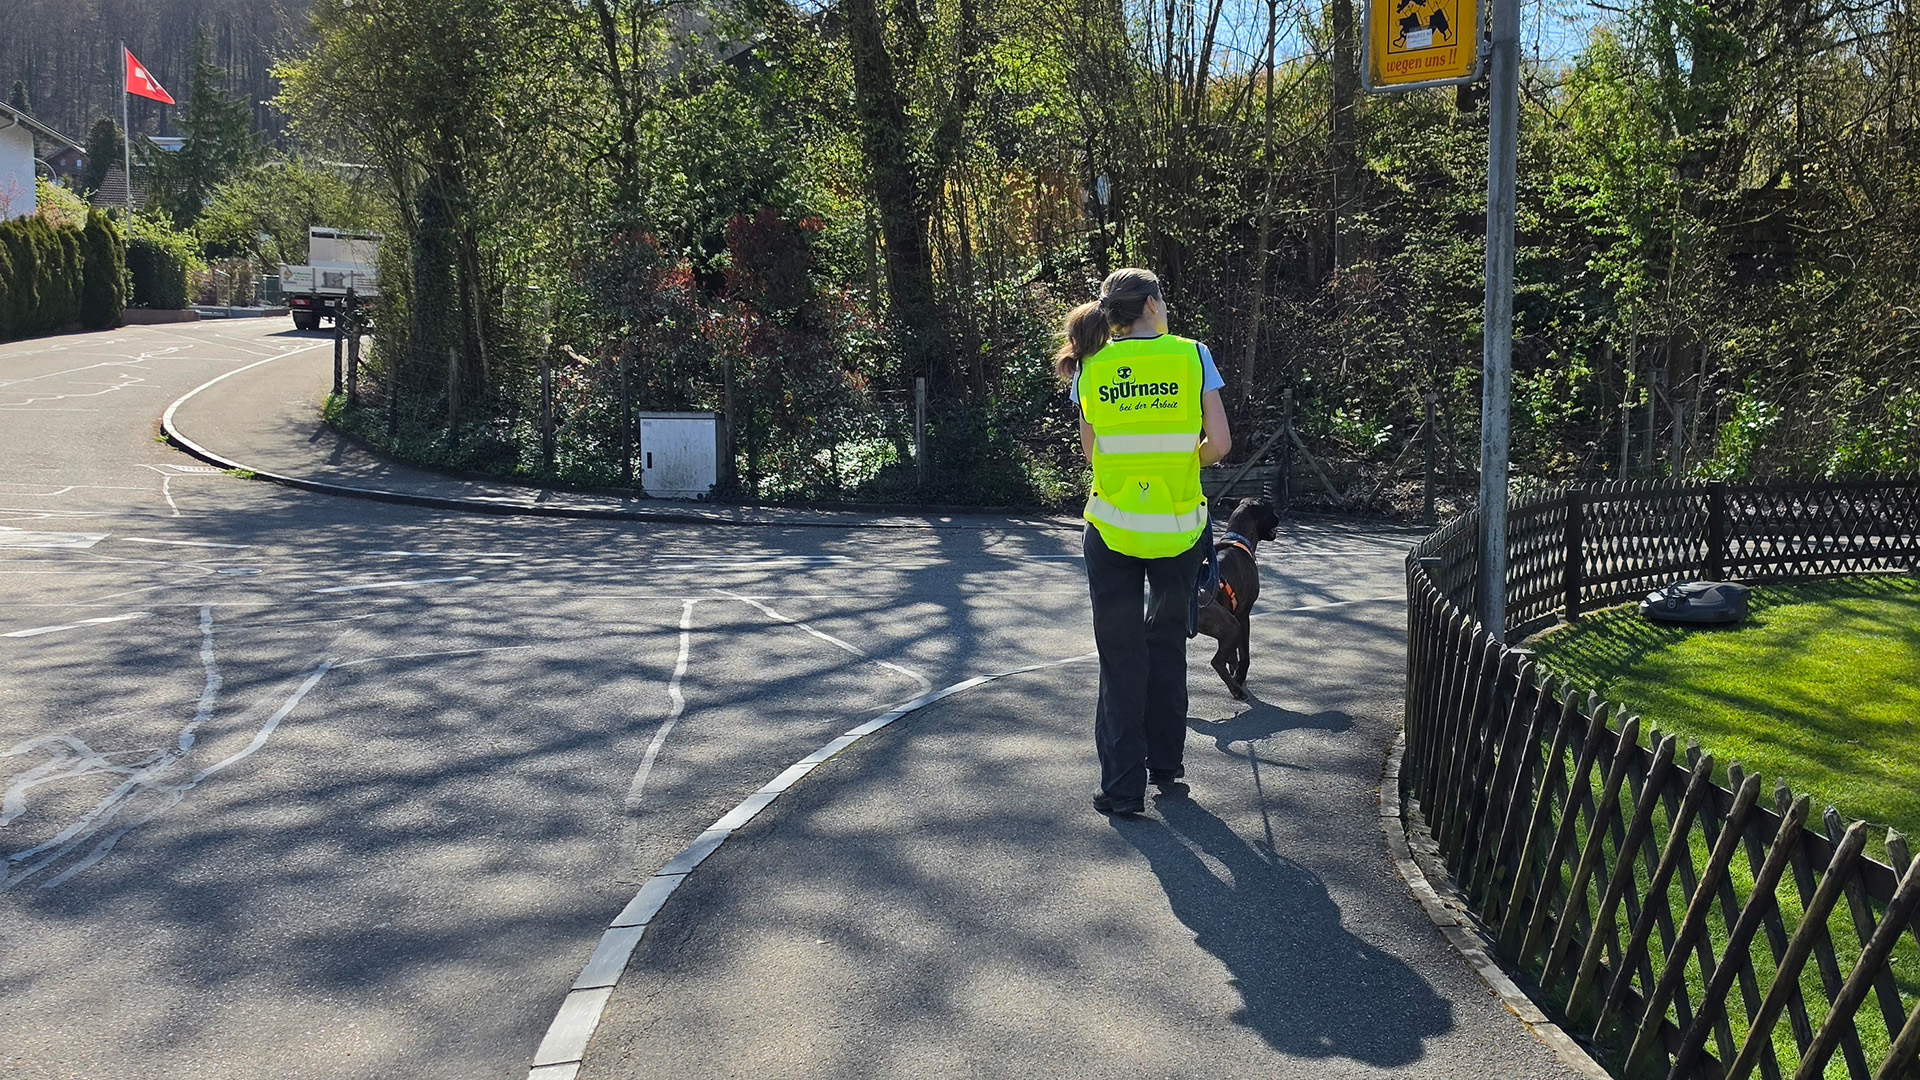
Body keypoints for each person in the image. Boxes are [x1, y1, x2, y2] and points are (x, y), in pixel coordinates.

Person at [1057, 268, 1232, 816]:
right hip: (1178, 530)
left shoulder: (1090, 366)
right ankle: (1167, 763)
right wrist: (1182, 462)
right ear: (1152, 304)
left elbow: (1092, 453)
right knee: (1166, 642)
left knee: (1120, 654)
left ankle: (1122, 788)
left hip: (1112, 529)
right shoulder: (1193, 355)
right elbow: (1220, 444)